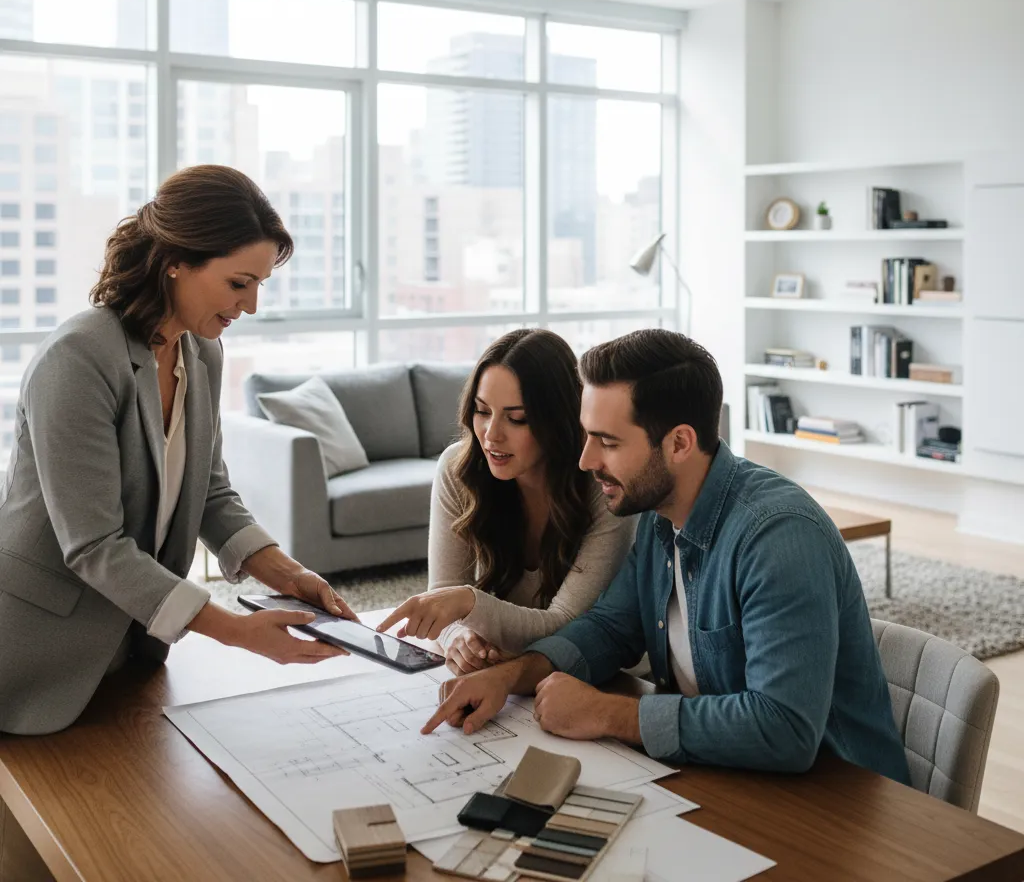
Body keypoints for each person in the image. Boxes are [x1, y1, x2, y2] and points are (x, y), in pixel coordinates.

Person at [423, 329, 910, 784]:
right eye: (588, 435)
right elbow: (607, 630)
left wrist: (610, 713)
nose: (585, 460)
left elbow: (783, 729)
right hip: (727, 776)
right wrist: (507, 677)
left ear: (679, 443)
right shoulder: (660, 517)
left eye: (608, 442)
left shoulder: (779, 538)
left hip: (838, 804)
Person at [0, 165, 358, 741]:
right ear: (177, 262)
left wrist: (288, 573)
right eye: (239, 283)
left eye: (260, 285)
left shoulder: (201, 354)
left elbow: (211, 491)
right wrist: (237, 632)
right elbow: (93, 545)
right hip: (34, 652)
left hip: (130, 644)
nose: (251, 305)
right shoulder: (78, 359)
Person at [376, 329, 636, 675]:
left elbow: (567, 627)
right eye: (482, 411)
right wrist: (457, 637)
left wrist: (468, 603)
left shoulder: (602, 487)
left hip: (599, 677)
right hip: (506, 673)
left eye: (517, 418)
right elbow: (442, 594)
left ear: (558, 420)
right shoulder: (460, 469)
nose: (491, 434)